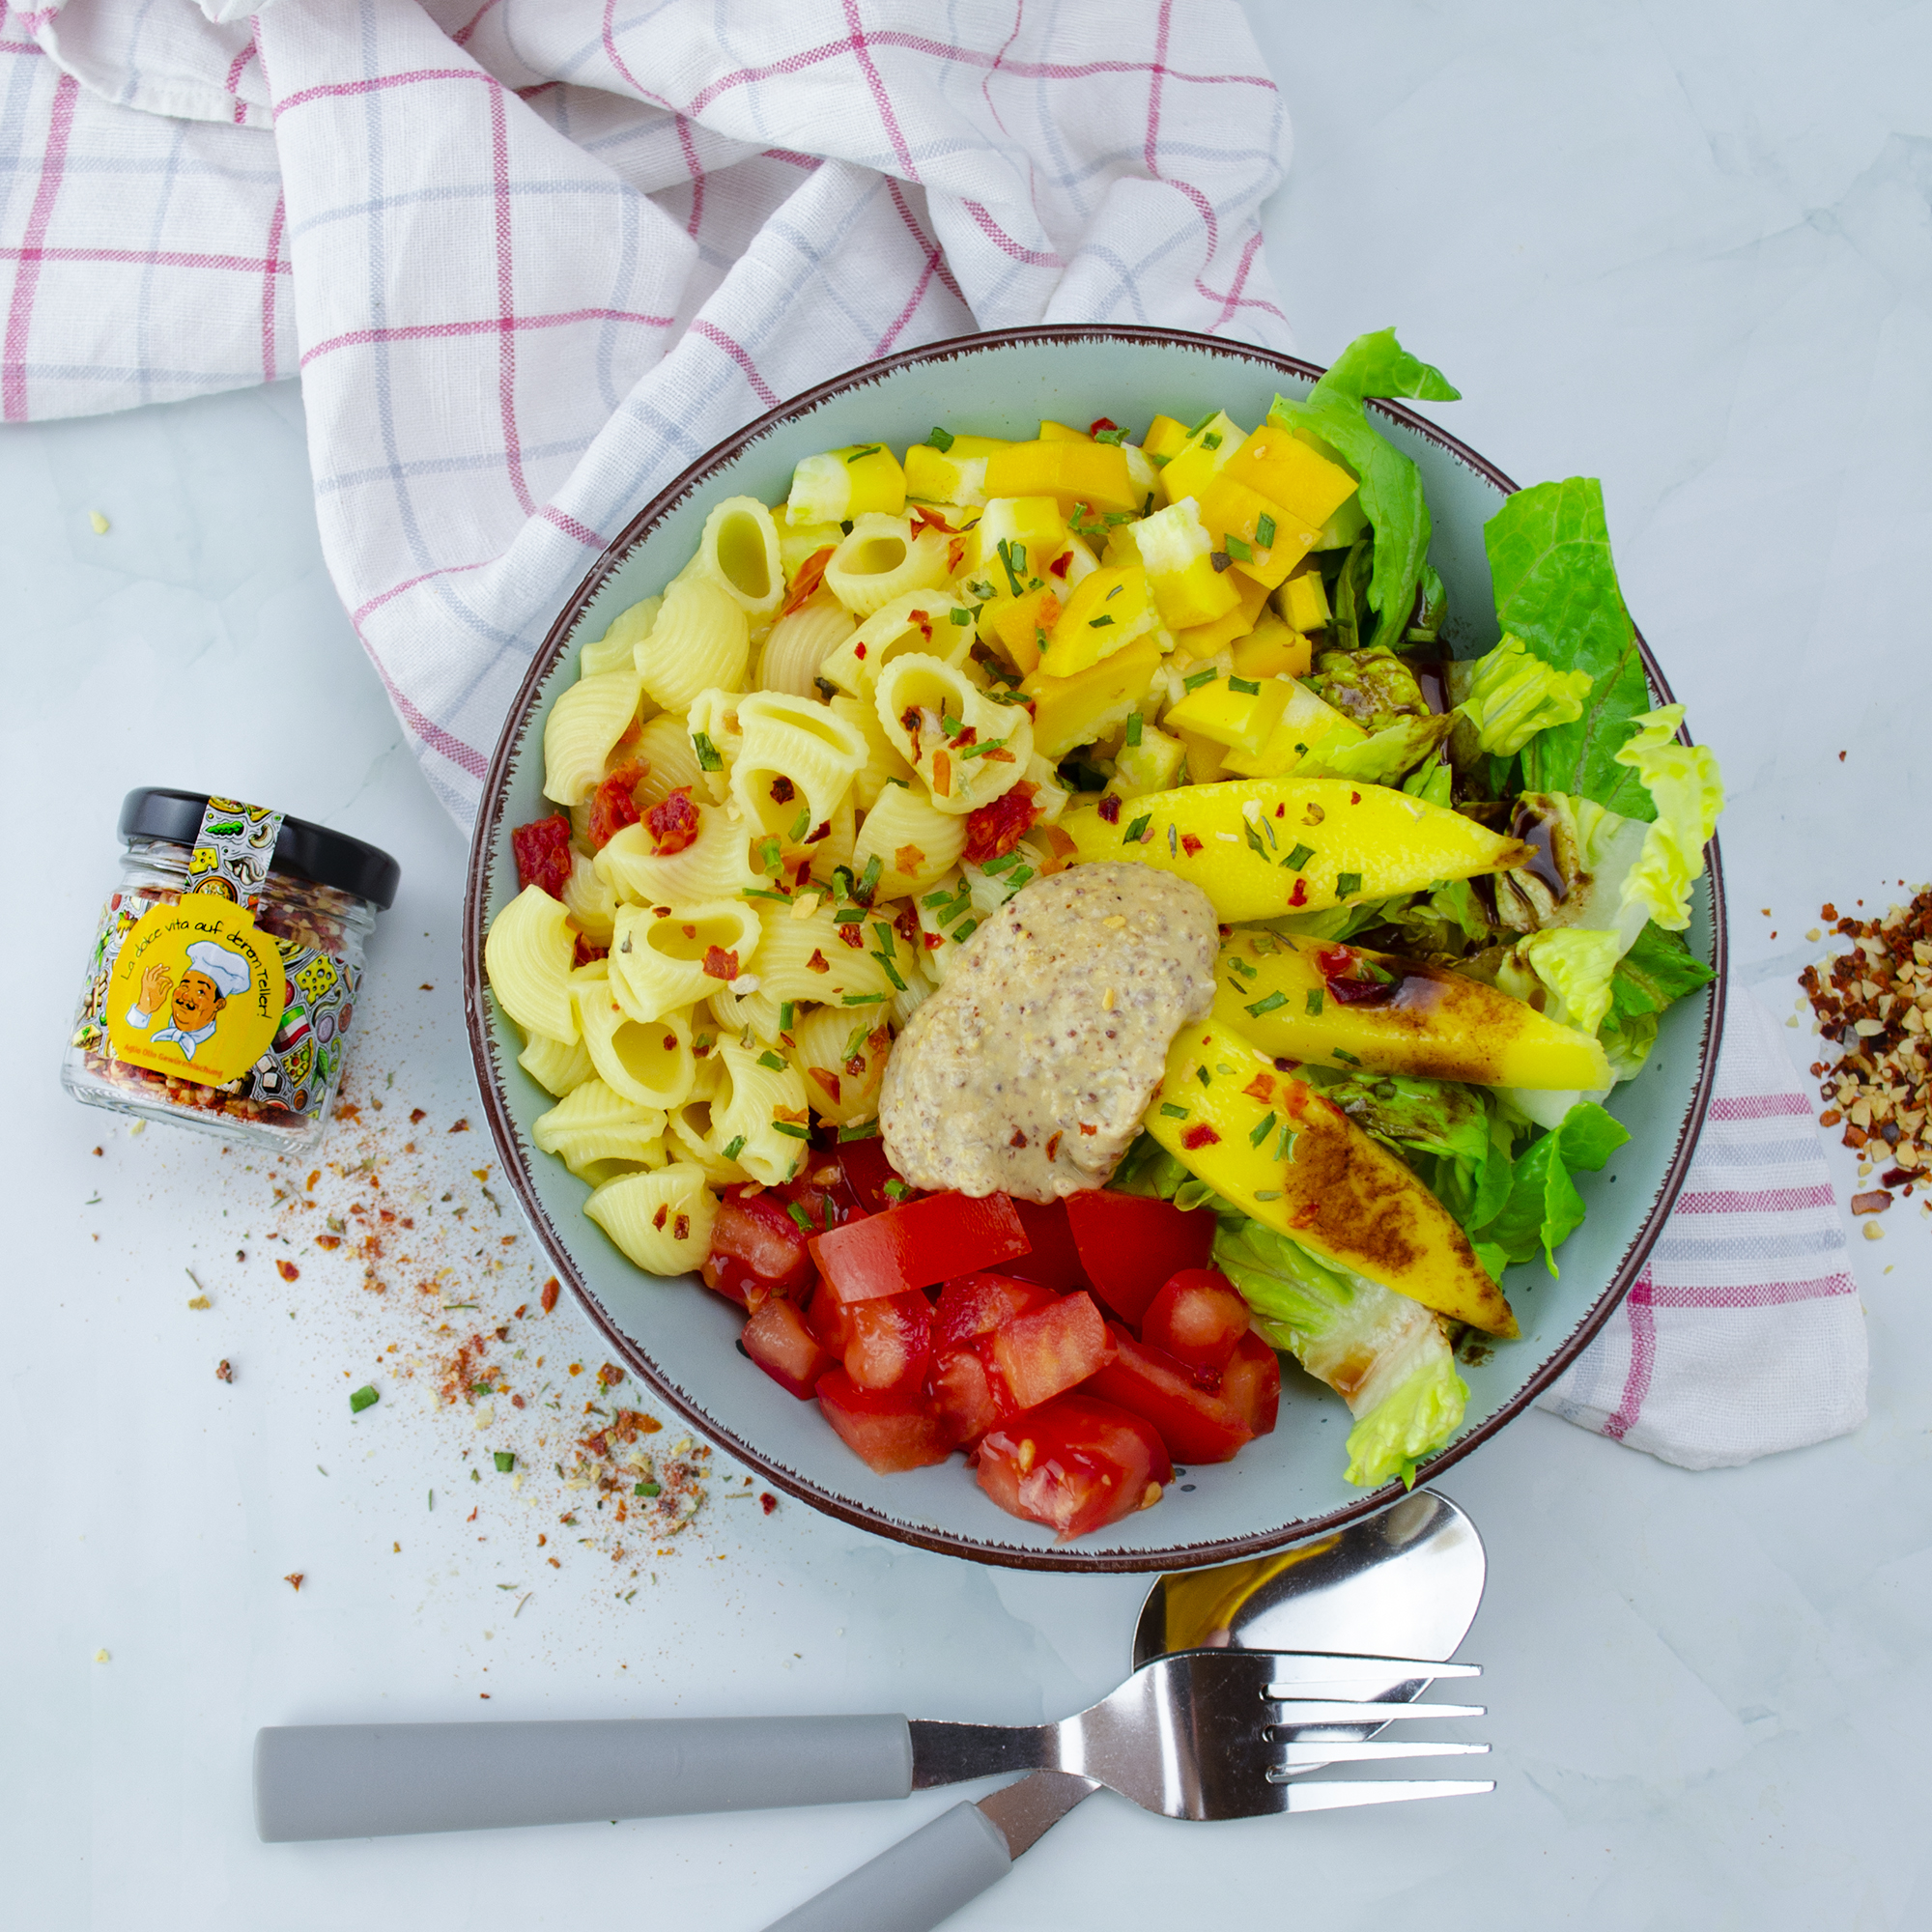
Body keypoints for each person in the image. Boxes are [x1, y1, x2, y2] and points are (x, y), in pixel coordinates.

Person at [126, 940, 252, 1062]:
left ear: (218, 1004)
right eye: (184, 986)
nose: (186, 996)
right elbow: (123, 1047)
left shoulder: (223, 1048)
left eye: (200, 992)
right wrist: (143, 1009)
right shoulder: (153, 1019)